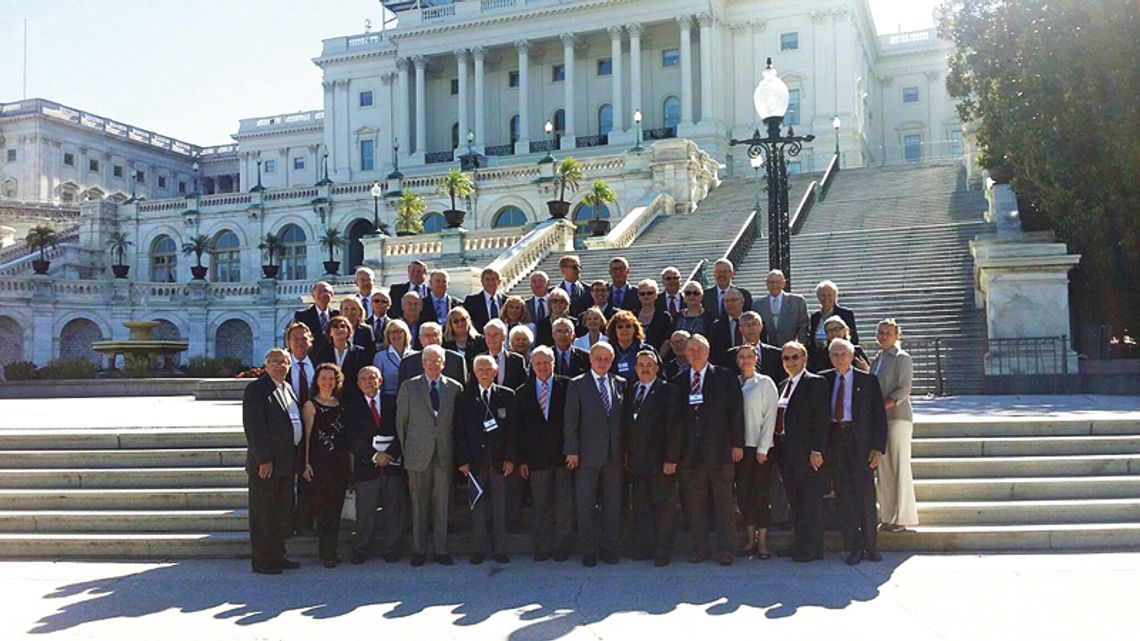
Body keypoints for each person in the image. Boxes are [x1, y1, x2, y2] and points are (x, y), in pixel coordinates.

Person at [671, 334, 744, 566]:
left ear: (708, 351)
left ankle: (725, 549)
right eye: (690, 350)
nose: (695, 353)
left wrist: (737, 444)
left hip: (721, 452)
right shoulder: (679, 381)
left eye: (699, 349)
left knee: (723, 503)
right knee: (695, 504)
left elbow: (736, 413)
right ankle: (700, 547)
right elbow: (676, 421)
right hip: (690, 455)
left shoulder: (725, 377)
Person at [396, 345, 463, 566]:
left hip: (443, 454)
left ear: (443, 363)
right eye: (429, 361)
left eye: (438, 361)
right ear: (422, 363)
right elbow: (401, 424)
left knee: (442, 504)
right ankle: (419, 551)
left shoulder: (454, 388)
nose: (433, 365)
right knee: (418, 504)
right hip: (417, 455)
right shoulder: (409, 387)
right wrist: (407, 453)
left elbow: (457, 425)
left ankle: (441, 550)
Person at [822, 338, 887, 565]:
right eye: (835, 354)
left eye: (843, 354)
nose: (839, 358)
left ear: (851, 357)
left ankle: (871, 545)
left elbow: (879, 417)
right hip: (835, 442)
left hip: (860, 443)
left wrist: (878, 448)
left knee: (866, 496)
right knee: (844, 496)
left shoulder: (868, 381)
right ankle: (854, 545)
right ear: (830, 357)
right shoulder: (824, 379)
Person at [564, 342, 625, 567]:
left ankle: (609, 549)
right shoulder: (577, 384)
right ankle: (588, 550)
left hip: (614, 456)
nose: (602, 363)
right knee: (585, 504)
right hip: (586, 455)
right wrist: (571, 450)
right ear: (590, 359)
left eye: (607, 359)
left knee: (613, 504)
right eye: (598, 358)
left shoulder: (620, 383)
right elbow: (570, 421)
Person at [243, 348, 302, 575]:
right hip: (266, 465)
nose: (280, 366)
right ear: (266, 365)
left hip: (286, 463)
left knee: (280, 513)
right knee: (263, 514)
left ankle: (278, 555)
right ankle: (262, 561)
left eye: (284, 362)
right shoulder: (257, 389)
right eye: (275, 362)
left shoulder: (287, 388)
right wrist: (264, 459)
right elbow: (254, 427)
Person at [455, 354, 517, 564]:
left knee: (500, 505)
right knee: (477, 505)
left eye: (488, 369)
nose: (484, 373)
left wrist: (510, 458)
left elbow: (512, 432)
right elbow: (459, 432)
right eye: (480, 369)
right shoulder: (465, 397)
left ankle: (500, 549)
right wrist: (463, 461)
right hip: (475, 461)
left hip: (500, 461)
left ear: (495, 372)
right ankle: (480, 549)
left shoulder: (507, 396)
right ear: (474, 373)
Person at [621, 350, 681, 566]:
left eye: (649, 364)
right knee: (642, 508)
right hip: (637, 463)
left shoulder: (668, 391)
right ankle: (643, 548)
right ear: (635, 368)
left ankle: (663, 552)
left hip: (661, 463)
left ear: (657, 368)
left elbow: (674, 428)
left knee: (664, 509)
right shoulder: (631, 391)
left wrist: (671, 460)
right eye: (641, 364)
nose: (645, 368)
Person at [514, 346, 572, 561]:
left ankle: (561, 547)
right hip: (536, 460)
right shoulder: (522, 392)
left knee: (564, 504)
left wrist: (572, 451)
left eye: (547, 362)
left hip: (563, 457)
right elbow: (518, 430)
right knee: (541, 505)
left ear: (553, 363)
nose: (543, 367)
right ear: (532, 366)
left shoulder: (567, 386)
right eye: (538, 363)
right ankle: (542, 547)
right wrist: (522, 460)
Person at [773, 341, 829, 563]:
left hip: (806, 452)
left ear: (804, 359)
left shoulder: (815, 382)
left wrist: (817, 449)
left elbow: (821, 419)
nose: (790, 362)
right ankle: (799, 543)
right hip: (786, 451)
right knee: (795, 500)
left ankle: (813, 548)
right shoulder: (782, 385)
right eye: (786, 358)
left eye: (795, 357)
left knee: (810, 501)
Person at [346, 366, 404, 565]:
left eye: (373, 378)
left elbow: (402, 429)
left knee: (393, 509)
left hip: (392, 464)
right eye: (364, 379)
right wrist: (373, 456)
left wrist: (390, 454)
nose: (369, 382)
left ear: (380, 381)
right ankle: (362, 549)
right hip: (366, 466)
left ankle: (391, 549)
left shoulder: (393, 402)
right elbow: (352, 437)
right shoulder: (352, 407)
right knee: (365, 511)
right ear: (358, 383)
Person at [300, 362, 350, 568]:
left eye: (332, 378)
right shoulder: (311, 405)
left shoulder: (341, 404)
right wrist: (305, 463)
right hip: (320, 463)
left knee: (335, 508)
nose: (328, 382)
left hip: (340, 462)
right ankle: (325, 552)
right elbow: (307, 437)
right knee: (323, 509)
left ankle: (332, 549)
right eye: (324, 378)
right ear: (317, 381)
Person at [871, 318, 917, 533]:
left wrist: (883, 407)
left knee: (899, 466)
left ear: (896, 335)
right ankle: (888, 516)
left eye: (888, 333)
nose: (883, 336)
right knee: (884, 469)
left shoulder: (902, 358)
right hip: (880, 420)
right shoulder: (877, 359)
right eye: (880, 332)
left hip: (897, 417)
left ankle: (903, 517)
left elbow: (903, 389)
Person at [733, 345, 779, 560]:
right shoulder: (733, 382)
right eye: (741, 357)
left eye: (749, 356)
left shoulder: (765, 383)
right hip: (739, 450)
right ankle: (749, 539)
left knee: (761, 495)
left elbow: (770, 416)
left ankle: (762, 542)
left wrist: (763, 447)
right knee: (744, 494)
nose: (745, 360)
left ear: (756, 358)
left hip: (760, 450)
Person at [283, 321, 317, 536]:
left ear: (310, 341)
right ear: (288, 342)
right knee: (287, 480)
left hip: (314, 428)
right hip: (288, 430)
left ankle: (305, 522)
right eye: (295, 338)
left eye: (304, 338)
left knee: (309, 479)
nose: (300, 342)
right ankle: (287, 523)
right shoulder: (282, 367)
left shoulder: (321, 363)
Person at [314, 315, 369, 400]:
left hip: (353, 398)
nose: (339, 329)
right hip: (329, 398)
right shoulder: (322, 352)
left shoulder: (360, 352)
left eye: (343, 326)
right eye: (335, 327)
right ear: (330, 332)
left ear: (349, 330)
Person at [723, 311, 785, 383]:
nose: (751, 328)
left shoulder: (776, 354)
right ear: (740, 329)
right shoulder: (730, 355)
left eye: (754, 324)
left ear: (761, 327)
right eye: (747, 325)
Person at [398, 322, 469, 385]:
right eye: (427, 335)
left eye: (435, 335)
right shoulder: (408, 363)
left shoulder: (457, 360)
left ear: (441, 337)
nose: (432, 339)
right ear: (420, 339)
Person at [758, 269, 810, 347]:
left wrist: (800, 348)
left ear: (784, 283)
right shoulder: (757, 305)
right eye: (771, 282)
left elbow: (803, 327)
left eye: (778, 282)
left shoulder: (797, 302)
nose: (775, 285)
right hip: (768, 352)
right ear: (766, 283)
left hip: (792, 352)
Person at [606, 310, 662, 378]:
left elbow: (660, 374)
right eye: (620, 327)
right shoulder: (608, 352)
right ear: (614, 331)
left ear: (634, 329)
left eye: (628, 326)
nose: (624, 329)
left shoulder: (648, 350)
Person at [809, 280, 859, 348]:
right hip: (819, 356)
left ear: (835, 296)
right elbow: (812, 341)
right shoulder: (814, 317)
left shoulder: (846, 314)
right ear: (818, 297)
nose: (826, 298)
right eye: (823, 295)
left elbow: (854, 339)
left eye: (830, 295)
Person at [293, 281, 339, 353]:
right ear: (313, 295)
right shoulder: (302, 316)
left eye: (326, 291)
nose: (323, 294)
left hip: (333, 356)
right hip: (312, 356)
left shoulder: (337, 314)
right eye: (319, 291)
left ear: (332, 295)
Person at [480, 319, 527, 389]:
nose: (492, 338)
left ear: (504, 337)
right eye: (488, 334)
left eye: (495, 334)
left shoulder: (517, 361)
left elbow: (522, 387)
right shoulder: (478, 361)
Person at [375, 319, 412, 402]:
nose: (396, 335)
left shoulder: (415, 355)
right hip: (389, 399)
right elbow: (377, 383)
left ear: (406, 334)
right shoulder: (380, 357)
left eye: (400, 331)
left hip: (411, 399)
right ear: (388, 336)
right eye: (392, 332)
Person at [442, 306, 486, 371]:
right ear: (450, 324)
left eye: (463, 319)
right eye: (456, 321)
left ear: (468, 320)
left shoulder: (480, 340)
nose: (460, 323)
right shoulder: (445, 343)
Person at [464, 267, 506, 333]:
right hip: (480, 340)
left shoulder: (506, 301)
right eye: (487, 279)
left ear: (499, 282)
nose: (490, 282)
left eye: (493, 279)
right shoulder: (471, 301)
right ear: (482, 282)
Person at [634, 279, 673, 350]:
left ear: (656, 295)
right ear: (638, 296)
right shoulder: (632, 316)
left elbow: (667, 341)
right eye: (642, 294)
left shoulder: (664, 317)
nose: (646, 296)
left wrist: (658, 359)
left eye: (649, 293)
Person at [709, 288, 748, 359]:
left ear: (742, 301)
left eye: (733, 300)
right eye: (726, 301)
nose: (730, 304)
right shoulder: (716, 327)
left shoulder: (752, 322)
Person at [338, 297, 376, 363]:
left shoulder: (366, 330)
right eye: (346, 309)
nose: (349, 312)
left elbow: (371, 354)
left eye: (353, 309)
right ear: (341, 312)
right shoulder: (336, 329)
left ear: (360, 312)